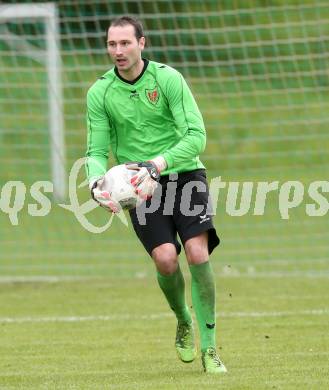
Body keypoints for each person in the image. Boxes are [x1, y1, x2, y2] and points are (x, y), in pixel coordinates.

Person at [85, 15, 227, 374]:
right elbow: (97, 151)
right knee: (165, 259)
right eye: (112, 44)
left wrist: (158, 163)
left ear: (142, 43)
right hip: (138, 187)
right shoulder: (100, 92)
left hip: (183, 174)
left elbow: (196, 135)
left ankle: (210, 349)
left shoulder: (167, 79)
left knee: (197, 253)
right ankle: (183, 319)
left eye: (125, 43)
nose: (118, 51)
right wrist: (95, 182)